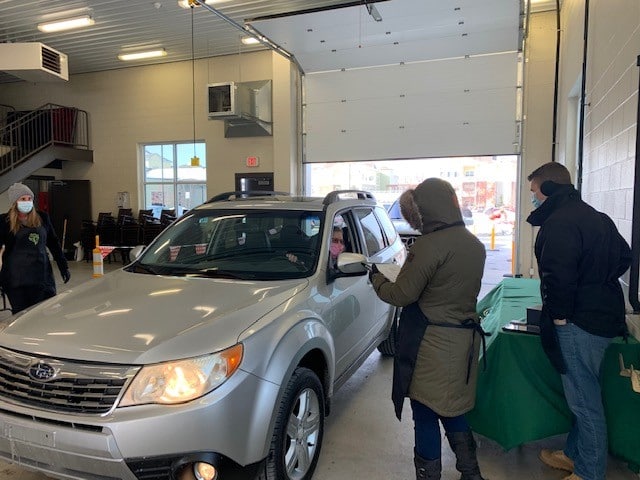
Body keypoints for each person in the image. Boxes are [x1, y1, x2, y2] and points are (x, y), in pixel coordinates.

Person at [369, 178, 487, 480]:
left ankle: (428, 476)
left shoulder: (428, 246)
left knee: (424, 413)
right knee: (454, 410)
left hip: (430, 345)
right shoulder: (474, 243)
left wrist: (377, 278)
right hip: (462, 342)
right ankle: (471, 472)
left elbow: (402, 295)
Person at [526, 162, 631, 480]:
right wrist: (595, 283)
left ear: (547, 189)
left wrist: (560, 317)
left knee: (584, 403)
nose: (533, 199)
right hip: (601, 319)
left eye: (534, 192)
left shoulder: (559, 223)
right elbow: (625, 256)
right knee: (585, 393)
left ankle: (589, 472)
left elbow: (558, 277)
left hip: (577, 324)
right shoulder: (595, 217)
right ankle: (574, 454)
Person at [0, 183, 71, 314]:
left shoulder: (42, 217)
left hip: (41, 277)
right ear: (15, 202)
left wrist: (63, 266)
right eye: (22, 199)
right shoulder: (4, 221)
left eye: (29, 199)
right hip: (16, 281)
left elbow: (53, 243)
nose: (27, 202)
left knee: (44, 315)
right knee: (22, 317)